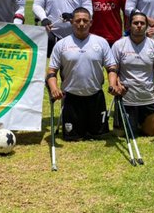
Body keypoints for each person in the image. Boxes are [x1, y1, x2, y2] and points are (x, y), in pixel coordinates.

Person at [47, 8, 114, 140]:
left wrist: (112, 84)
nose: (81, 24)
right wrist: (54, 89)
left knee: (98, 136)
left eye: (85, 20)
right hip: (71, 98)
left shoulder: (101, 42)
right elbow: (51, 72)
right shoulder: (61, 44)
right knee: (73, 138)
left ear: (91, 22)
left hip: (95, 96)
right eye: (78, 20)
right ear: (71, 22)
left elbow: (111, 67)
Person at [108, 11, 154, 139]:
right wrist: (115, 85)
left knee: (150, 133)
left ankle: (141, 122)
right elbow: (113, 70)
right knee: (123, 135)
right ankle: (132, 122)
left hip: (147, 97)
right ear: (129, 25)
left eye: (142, 23)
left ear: (147, 26)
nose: (139, 25)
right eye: (136, 23)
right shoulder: (119, 45)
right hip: (126, 99)